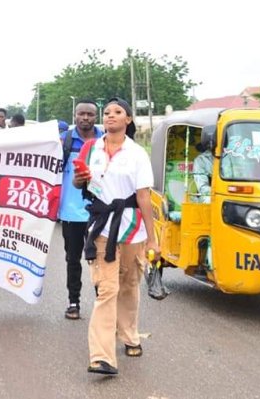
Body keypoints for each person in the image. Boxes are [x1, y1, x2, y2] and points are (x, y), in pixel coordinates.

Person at [74, 98, 159, 376]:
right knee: (107, 289)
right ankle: (101, 356)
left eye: (117, 112)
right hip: (102, 227)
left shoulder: (136, 154)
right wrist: (80, 178)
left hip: (133, 228)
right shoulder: (91, 148)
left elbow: (144, 197)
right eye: (107, 112)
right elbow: (81, 182)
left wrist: (153, 239)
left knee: (129, 284)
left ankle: (130, 335)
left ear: (128, 120)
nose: (110, 116)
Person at [58, 100, 103, 320]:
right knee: (73, 259)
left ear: (96, 116)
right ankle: (73, 301)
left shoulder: (104, 140)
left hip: (99, 212)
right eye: (81, 114)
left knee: (101, 260)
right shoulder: (63, 140)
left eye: (90, 114)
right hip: (70, 212)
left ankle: (102, 302)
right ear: (75, 115)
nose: (85, 118)